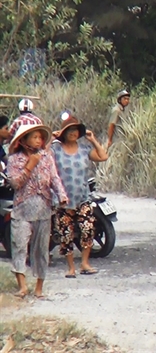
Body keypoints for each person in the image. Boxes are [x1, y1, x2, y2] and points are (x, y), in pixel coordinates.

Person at [6, 124, 68, 298]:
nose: (39, 140)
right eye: (34, 137)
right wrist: (30, 165)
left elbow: (54, 178)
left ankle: (39, 287)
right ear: (23, 140)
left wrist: (61, 195)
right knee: (19, 245)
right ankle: (22, 286)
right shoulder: (15, 160)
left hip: (43, 208)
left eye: (40, 138)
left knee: (41, 249)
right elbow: (16, 183)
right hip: (22, 209)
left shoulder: (47, 157)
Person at [51, 114, 109, 278]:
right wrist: (52, 137)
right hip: (63, 200)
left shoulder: (84, 149)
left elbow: (103, 156)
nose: (73, 133)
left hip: (83, 197)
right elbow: (42, 153)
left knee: (88, 228)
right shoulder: (56, 149)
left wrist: (93, 140)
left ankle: (85, 263)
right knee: (66, 233)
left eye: (76, 130)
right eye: (69, 130)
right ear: (63, 132)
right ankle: (71, 268)